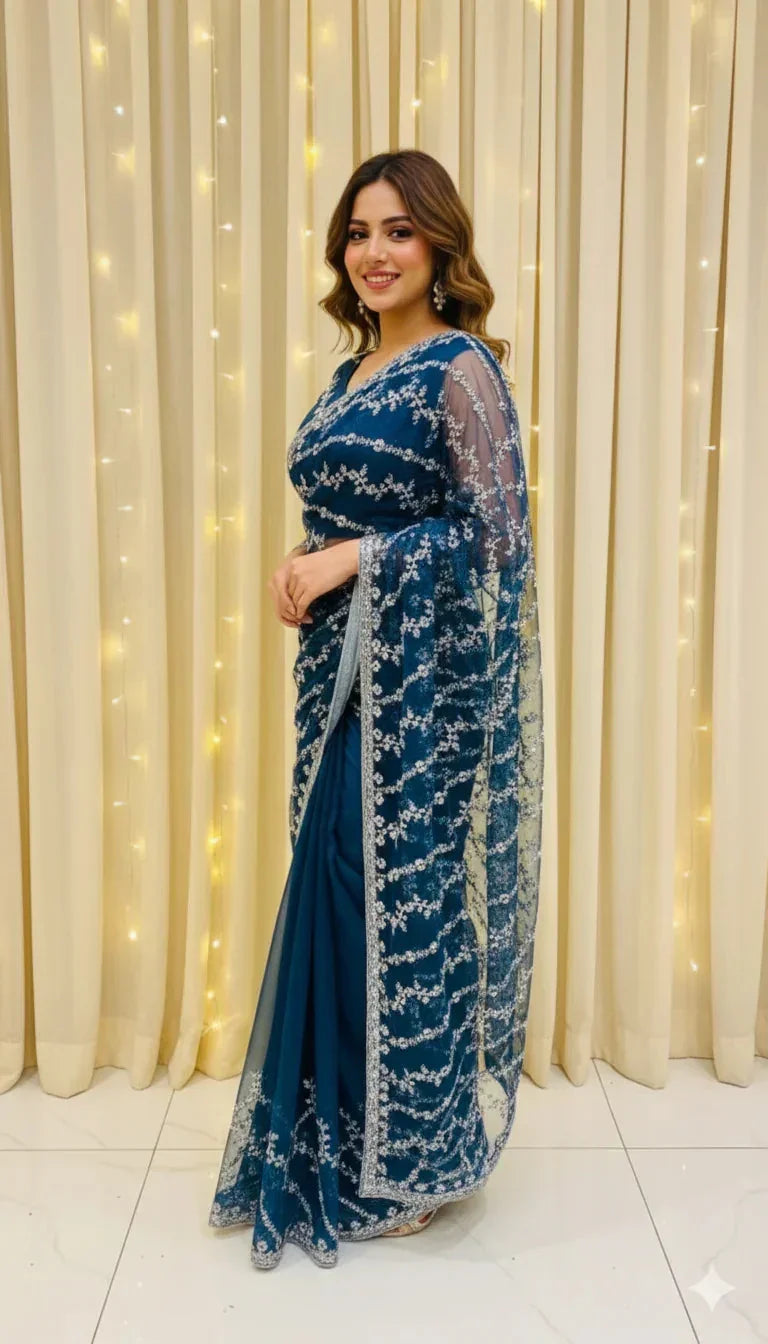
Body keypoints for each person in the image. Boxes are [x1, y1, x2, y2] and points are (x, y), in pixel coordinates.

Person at [208, 149, 544, 1269]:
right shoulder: (349, 375)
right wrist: (305, 565)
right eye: (360, 233)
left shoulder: (459, 371)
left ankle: (426, 1156)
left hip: (417, 694)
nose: (376, 252)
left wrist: (358, 557)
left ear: (440, 243)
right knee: (337, 895)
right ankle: (347, 1134)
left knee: (399, 897)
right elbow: (341, 523)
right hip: (335, 680)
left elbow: (496, 543)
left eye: (400, 230)